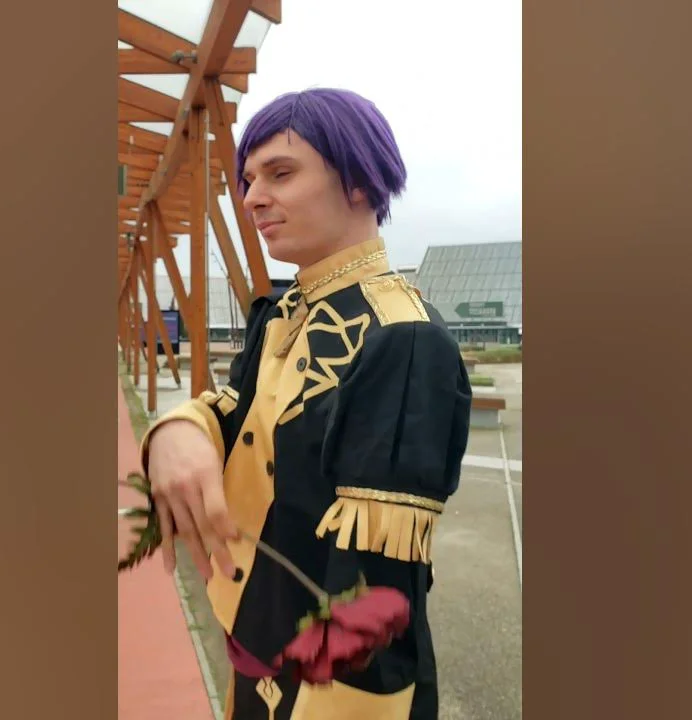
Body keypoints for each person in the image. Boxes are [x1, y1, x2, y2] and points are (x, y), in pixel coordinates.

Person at [140, 87, 472, 719]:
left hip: (331, 694)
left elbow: (375, 595)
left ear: (359, 181)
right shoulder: (281, 311)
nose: (251, 197)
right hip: (255, 643)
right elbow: (233, 409)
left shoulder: (403, 340)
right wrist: (176, 429)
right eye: (248, 180)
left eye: (281, 173)